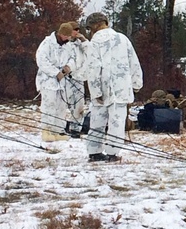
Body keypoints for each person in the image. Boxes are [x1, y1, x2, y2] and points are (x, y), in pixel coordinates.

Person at [81, 12, 142, 163]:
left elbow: (93, 68)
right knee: (117, 122)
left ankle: (94, 151)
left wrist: (95, 91)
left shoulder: (94, 43)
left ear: (94, 26)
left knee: (97, 120)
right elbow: (133, 62)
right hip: (121, 87)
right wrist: (136, 83)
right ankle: (112, 153)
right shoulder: (122, 39)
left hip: (102, 89)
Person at [35, 23, 77, 141]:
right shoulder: (47, 43)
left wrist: (69, 67)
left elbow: (73, 58)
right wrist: (55, 72)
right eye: (66, 36)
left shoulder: (68, 45)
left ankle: (58, 130)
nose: (68, 38)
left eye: (69, 36)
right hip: (47, 80)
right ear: (61, 34)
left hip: (62, 81)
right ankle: (46, 130)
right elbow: (41, 60)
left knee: (61, 106)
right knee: (49, 105)